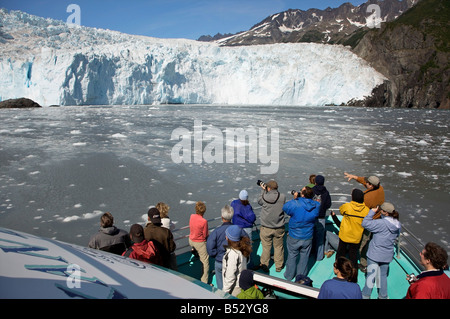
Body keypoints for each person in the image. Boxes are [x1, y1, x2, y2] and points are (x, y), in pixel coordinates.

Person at [344, 172, 385, 272]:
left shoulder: (368, 198)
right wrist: (354, 176)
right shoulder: (380, 188)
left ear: (371, 185)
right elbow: (364, 180)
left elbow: (361, 210)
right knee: (372, 242)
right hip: (378, 219)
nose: (365, 182)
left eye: (367, 182)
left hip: (370, 222)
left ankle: (363, 264)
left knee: (362, 242)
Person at [361, 203, 401, 299]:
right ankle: (383, 296)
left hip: (375, 254)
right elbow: (396, 236)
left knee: (371, 276)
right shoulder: (397, 225)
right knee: (383, 276)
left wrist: (372, 212)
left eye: (380, 210)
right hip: (387, 255)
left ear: (385, 212)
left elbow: (365, 223)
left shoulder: (381, 223)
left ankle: (366, 295)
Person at [282, 186, 320, 281]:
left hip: (294, 235)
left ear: (302, 194)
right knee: (304, 257)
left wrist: (295, 199)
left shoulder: (295, 204)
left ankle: (289, 275)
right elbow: (316, 205)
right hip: (307, 236)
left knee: (292, 255)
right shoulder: (316, 205)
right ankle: (301, 277)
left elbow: (285, 207)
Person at [336, 189, 370, 268]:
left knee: (341, 253)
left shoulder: (347, 206)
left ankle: (338, 268)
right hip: (356, 236)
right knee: (353, 255)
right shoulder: (366, 210)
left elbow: (341, 210)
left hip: (345, 234)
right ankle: (353, 271)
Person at [257, 180, 286, 272]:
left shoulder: (264, 197)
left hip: (266, 227)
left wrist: (263, 190)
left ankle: (265, 264)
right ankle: (279, 265)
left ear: (268, 188)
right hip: (279, 227)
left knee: (266, 247)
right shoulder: (282, 197)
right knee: (278, 247)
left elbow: (259, 201)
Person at [206, 204, 234, 290]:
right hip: (233, 261)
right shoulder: (237, 230)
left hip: (220, 261)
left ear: (222, 217)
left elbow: (210, 248)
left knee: (221, 286)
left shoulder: (216, 232)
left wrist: (216, 255)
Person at [222, 225, 252, 296]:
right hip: (240, 284)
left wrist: (224, 292)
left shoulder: (233, 253)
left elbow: (230, 275)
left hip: (234, 288)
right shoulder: (243, 247)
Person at [189, 201, 210, 284]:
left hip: (191, 240)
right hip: (199, 243)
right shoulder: (204, 221)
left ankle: (194, 251)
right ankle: (204, 281)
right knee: (206, 262)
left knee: (198, 250)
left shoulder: (192, 216)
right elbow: (205, 235)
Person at [312, 175, 332, 261]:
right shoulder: (326, 192)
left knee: (310, 236)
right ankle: (319, 256)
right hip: (321, 217)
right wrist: (323, 208)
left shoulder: (311, 191)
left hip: (311, 217)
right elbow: (328, 204)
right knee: (320, 238)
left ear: (315, 182)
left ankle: (309, 253)